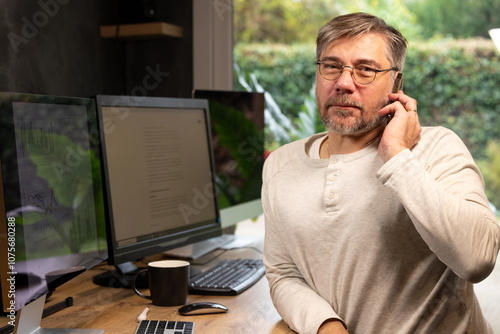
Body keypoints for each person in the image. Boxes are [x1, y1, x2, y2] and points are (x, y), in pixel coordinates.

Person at [262, 12, 500, 334]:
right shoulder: (279, 165)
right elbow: (283, 273)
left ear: (396, 83)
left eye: (365, 70)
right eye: (331, 66)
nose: (344, 83)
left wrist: (398, 155)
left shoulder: (437, 147)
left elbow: (477, 259)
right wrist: (324, 325)